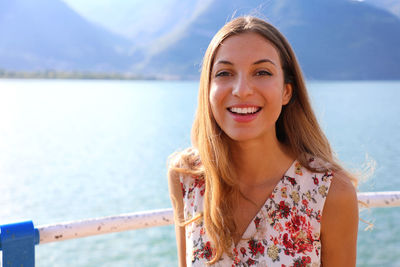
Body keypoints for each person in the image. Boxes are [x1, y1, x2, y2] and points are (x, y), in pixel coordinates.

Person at [168, 16, 358, 266]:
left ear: (286, 91)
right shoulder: (187, 176)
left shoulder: (329, 192)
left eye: (262, 72)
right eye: (224, 73)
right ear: (208, 89)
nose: (241, 89)